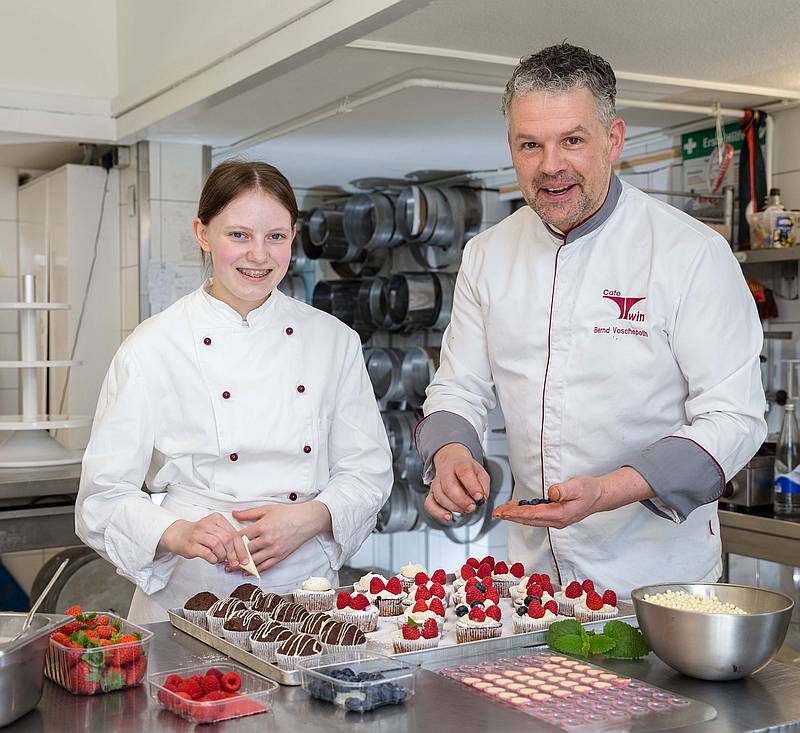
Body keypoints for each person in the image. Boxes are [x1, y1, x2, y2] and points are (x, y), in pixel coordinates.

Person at [415, 43, 766, 595]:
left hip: (655, 585)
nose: (550, 166)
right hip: (531, 583)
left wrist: (608, 491)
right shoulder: (487, 255)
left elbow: (735, 417)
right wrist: (451, 451)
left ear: (614, 140)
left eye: (572, 140)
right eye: (530, 145)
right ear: (512, 147)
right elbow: (459, 386)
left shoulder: (689, 253)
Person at [76, 160, 393, 623]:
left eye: (276, 237)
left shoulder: (333, 340)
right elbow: (102, 496)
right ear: (202, 234)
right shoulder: (153, 346)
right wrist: (179, 532)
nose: (259, 256)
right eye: (238, 235)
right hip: (191, 590)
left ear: (293, 236)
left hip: (305, 590)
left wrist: (309, 518)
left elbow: (367, 471)